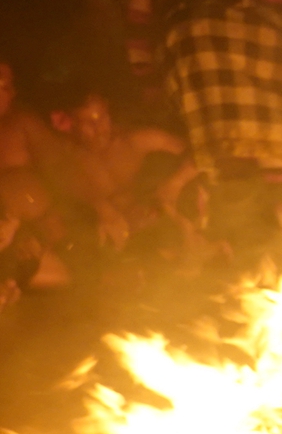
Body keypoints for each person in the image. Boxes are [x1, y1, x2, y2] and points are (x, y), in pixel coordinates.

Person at [57, 90, 200, 254]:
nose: (99, 128)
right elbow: (60, 187)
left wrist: (176, 182)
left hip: (153, 223)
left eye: (102, 118)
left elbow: (201, 153)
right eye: (88, 122)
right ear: (72, 123)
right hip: (109, 237)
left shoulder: (135, 141)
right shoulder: (67, 156)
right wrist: (100, 207)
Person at [0, 61, 70, 300]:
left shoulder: (22, 123)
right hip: (7, 234)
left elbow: (61, 169)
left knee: (67, 277)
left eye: (6, 85)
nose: (2, 91)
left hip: (39, 226)